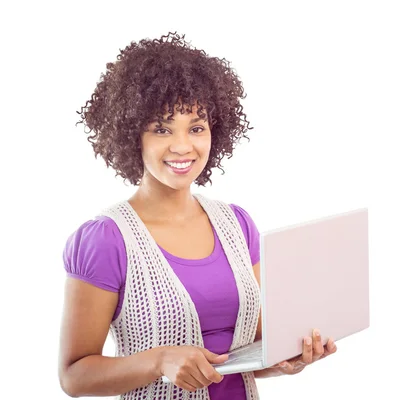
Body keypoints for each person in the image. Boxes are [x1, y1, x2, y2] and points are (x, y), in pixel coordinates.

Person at [58, 32, 337, 400]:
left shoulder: (237, 225)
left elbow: (248, 350)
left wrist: (287, 360)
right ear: (131, 135)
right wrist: (159, 361)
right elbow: (74, 377)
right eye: (161, 128)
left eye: (196, 127)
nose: (182, 146)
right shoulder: (106, 240)